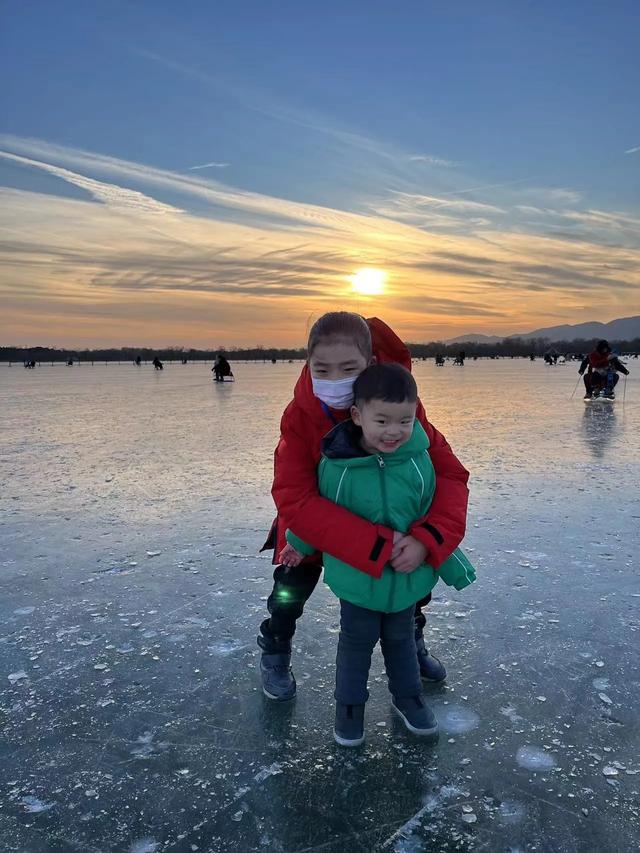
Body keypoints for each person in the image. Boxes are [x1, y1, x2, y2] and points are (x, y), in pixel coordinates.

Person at [257, 312, 470, 702]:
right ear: (308, 364)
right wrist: (373, 544)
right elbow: (294, 495)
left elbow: (449, 475)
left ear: (369, 365)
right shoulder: (300, 416)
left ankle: (412, 638)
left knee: (408, 586)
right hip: (314, 525)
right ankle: (276, 645)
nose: (335, 379)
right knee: (290, 590)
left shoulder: (397, 406)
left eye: (348, 368)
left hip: (392, 520)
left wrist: (427, 538)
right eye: (322, 368)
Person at [280, 364, 475, 745]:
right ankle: (349, 707)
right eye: (382, 420)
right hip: (358, 582)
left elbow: (430, 513)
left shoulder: (420, 463)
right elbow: (320, 514)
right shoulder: (338, 468)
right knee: (355, 644)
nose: (394, 431)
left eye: (404, 421)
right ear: (358, 416)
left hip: (404, 581)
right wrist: (297, 544)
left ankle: (408, 699)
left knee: (401, 641)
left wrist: (430, 548)